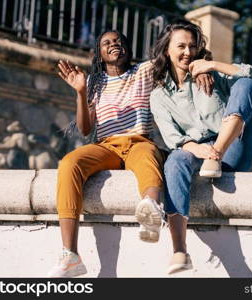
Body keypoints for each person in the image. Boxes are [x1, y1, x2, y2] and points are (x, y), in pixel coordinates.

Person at [47, 29, 213, 277]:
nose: (114, 44)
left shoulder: (144, 71)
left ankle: (152, 208)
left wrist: (202, 69)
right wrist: (81, 92)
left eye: (119, 41)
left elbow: (178, 54)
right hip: (107, 146)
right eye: (107, 43)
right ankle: (70, 254)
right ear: (100, 53)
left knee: (148, 156)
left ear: (128, 49)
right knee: (70, 162)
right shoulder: (94, 82)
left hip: (139, 141)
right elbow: (84, 129)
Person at [149, 20, 252, 274]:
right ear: (167, 49)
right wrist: (198, 150)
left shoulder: (212, 74)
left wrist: (212, 65)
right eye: (181, 46)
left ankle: (218, 152)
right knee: (176, 160)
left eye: (192, 46)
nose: (187, 52)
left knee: (244, 84)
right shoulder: (159, 95)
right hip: (196, 152)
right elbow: (171, 137)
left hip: (231, 147)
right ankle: (179, 250)